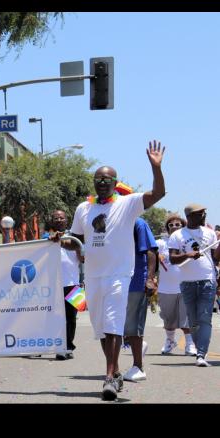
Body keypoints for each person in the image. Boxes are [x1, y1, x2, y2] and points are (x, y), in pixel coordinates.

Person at [69, 141, 166, 401]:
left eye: (107, 179)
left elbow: (158, 193)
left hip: (119, 275)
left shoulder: (128, 204)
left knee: (113, 324)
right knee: (101, 329)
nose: (102, 183)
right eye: (98, 179)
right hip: (93, 276)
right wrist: (59, 240)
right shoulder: (83, 208)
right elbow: (76, 239)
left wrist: (156, 168)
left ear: (115, 182)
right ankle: (117, 372)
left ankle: (109, 377)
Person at [168, 203, 220, 367]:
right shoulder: (177, 235)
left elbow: (214, 258)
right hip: (187, 283)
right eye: (200, 214)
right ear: (190, 217)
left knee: (205, 318)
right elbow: (172, 259)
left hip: (207, 281)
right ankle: (199, 350)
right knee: (193, 320)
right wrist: (188, 255)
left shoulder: (210, 233)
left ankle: (201, 354)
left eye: (204, 213)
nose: (204, 216)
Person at [121, 217, 157, 382]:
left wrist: (149, 279)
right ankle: (139, 347)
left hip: (135, 281)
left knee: (133, 325)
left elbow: (150, 251)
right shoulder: (108, 221)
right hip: (114, 281)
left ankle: (138, 367)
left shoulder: (138, 223)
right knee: (120, 325)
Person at [157, 215, 196, 355]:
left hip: (185, 286)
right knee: (168, 319)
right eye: (171, 225)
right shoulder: (160, 243)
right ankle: (170, 341)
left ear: (183, 226)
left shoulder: (188, 242)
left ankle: (189, 344)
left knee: (186, 318)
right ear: (167, 228)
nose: (174, 227)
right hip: (165, 288)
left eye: (177, 224)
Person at [50, 209, 84, 361]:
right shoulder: (46, 238)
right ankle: (58, 347)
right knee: (56, 318)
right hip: (53, 285)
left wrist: (78, 249)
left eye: (61, 218)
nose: (59, 220)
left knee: (72, 318)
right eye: (56, 218)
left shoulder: (75, 238)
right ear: (52, 221)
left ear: (66, 220)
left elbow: (83, 259)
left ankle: (68, 347)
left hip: (75, 284)